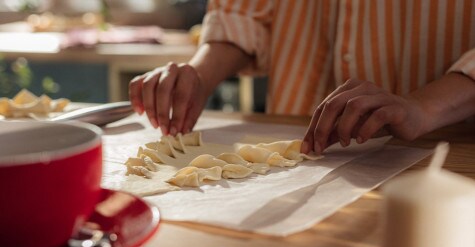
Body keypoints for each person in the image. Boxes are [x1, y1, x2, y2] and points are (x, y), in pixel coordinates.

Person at [129, 0, 475, 155]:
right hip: (293, 134)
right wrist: (201, 74)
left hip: (443, 149)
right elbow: (247, 14)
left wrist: (423, 107)